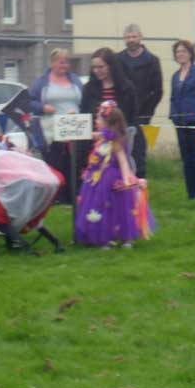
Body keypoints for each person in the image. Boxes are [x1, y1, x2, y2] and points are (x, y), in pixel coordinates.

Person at [74, 103, 154, 248]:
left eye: (98, 118)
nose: (95, 121)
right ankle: (103, 238)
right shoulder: (102, 136)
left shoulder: (115, 140)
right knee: (100, 207)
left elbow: (123, 161)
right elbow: (88, 134)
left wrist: (126, 179)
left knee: (115, 207)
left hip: (110, 178)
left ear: (107, 122)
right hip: (96, 178)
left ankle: (123, 237)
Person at [28, 48, 85, 203]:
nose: (64, 65)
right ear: (52, 63)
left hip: (73, 127)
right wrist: (43, 108)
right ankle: (55, 196)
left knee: (73, 162)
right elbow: (29, 101)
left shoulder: (75, 80)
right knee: (55, 161)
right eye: (61, 62)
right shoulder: (41, 82)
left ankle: (72, 196)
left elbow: (84, 100)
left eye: (66, 62)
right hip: (51, 128)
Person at [115, 24, 163, 177]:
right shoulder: (117, 60)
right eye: (128, 37)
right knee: (120, 152)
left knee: (139, 154)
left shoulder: (153, 61)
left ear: (140, 38)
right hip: (122, 115)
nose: (131, 40)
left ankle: (140, 190)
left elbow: (158, 90)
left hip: (143, 115)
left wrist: (147, 112)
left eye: (134, 37)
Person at [168, 38, 195, 199]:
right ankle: (191, 193)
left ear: (190, 54)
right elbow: (173, 98)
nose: (180, 54)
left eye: (183, 51)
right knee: (186, 158)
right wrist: (173, 116)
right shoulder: (175, 76)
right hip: (179, 123)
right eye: (177, 52)